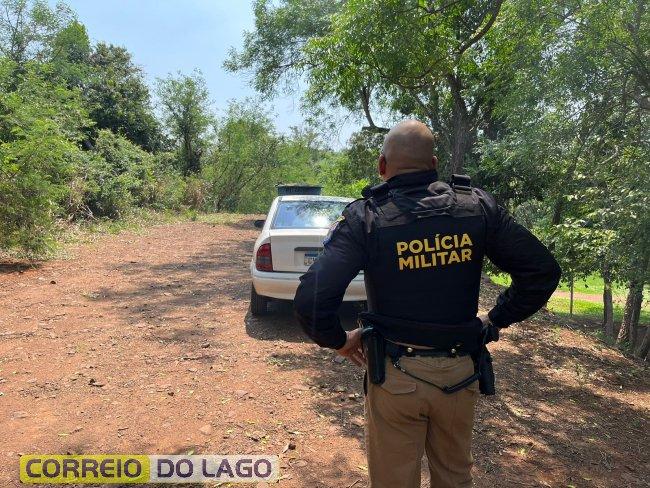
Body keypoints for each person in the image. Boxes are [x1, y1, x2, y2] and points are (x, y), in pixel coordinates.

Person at [294, 120, 561, 488]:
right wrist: (495, 320)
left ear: (382, 166)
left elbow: (311, 297)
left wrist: (339, 341)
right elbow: (542, 271)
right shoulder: (476, 207)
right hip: (459, 374)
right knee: (454, 479)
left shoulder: (367, 218)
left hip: (395, 376)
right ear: (433, 163)